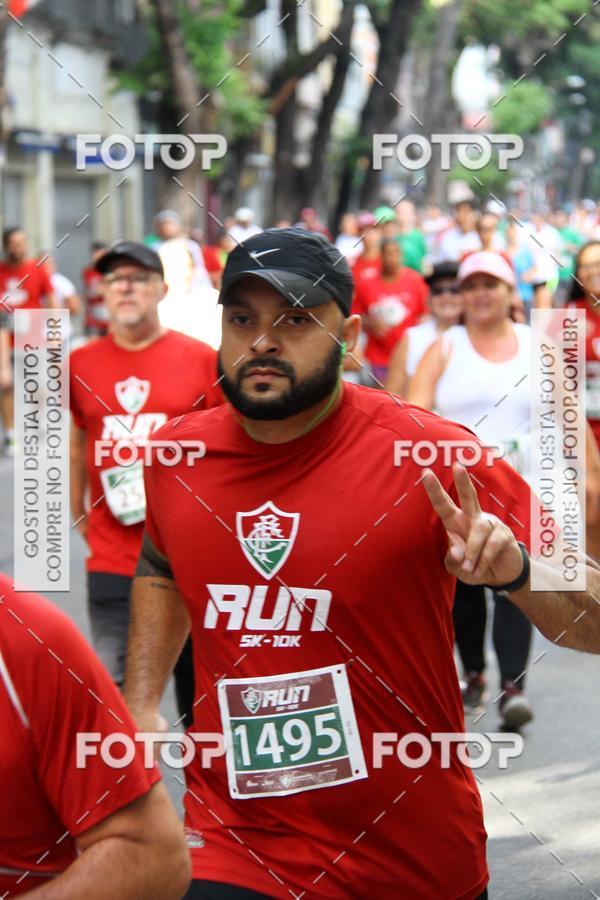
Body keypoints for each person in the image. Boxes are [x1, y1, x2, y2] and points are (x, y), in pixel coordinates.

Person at [123, 227, 600, 900]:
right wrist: (140, 702)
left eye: (295, 319)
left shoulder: (432, 454)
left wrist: (520, 571)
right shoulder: (178, 457)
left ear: (347, 331)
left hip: (410, 857)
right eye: (242, 319)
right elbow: (161, 564)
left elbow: (595, 621)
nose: (263, 341)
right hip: (236, 843)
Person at [69, 240, 221, 724]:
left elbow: (229, 449)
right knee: (118, 709)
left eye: (138, 277)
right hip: (112, 559)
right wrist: (78, 508)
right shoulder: (80, 364)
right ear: (103, 293)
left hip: (188, 560)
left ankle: (208, 799)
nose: (126, 287)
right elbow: (76, 440)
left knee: (201, 704)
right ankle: (133, 796)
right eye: (115, 279)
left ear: (161, 289)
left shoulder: (201, 360)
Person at [0, 572, 190, 898]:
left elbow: (156, 857)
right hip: (110, 576)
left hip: (134, 581)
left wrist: (140, 707)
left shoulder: (30, 640)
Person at [408, 251, 538, 726]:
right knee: (464, 585)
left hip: (524, 488)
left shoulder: (538, 342)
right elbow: (413, 415)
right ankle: (475, 673)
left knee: (515, 580)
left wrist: (582, 482)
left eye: (492, 284)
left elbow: (566, 418)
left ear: (510, 292)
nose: (481, 294)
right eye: (471, 286)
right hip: (458, 491)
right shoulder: (445, 346)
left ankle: (513, 688)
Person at [0, 227, 57, 454]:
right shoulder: (1, 272)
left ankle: (37, 423)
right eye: (13, 242)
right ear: (6, 246)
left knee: (40, 386)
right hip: (6, 339)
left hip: (35, 339)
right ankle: (11, 436)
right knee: (7, 386)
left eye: (22, 241)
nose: (18, 246)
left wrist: (54, 334)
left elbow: (52, 303)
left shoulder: (38, 269)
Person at [353, 238, 428, 384]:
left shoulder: (415, 280)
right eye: (389, 253)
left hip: (408, 355)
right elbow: (356, 315)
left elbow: (426, 314)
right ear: (381, 255)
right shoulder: (367, 282)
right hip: (378, 357)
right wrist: (370, 324)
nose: (393, 258)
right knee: (380, 398)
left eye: (397, 253)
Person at [566, 240, 600, 560]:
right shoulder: (564, 317)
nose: (594, 272)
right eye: (587, 266)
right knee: (590, 516)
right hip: (581, 438)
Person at [385, 261, 462, 397]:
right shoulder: (412, 338)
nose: (446, 296)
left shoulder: (480, 336)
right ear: (429, 298)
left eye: (454, 290)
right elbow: (392, 395)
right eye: (438, 291)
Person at [82, 241, 109, 337]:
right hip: (93, 316)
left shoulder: (109, 271)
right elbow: (88, 291)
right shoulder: (88, 271)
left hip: (107, 314)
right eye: (96, 253)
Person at [395, 200, 427, 273]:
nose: (403, 216)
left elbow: (425, 261)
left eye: (406, 213)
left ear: (413, 215)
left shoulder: (419, 236)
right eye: (400, 213)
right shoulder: (392, 237)